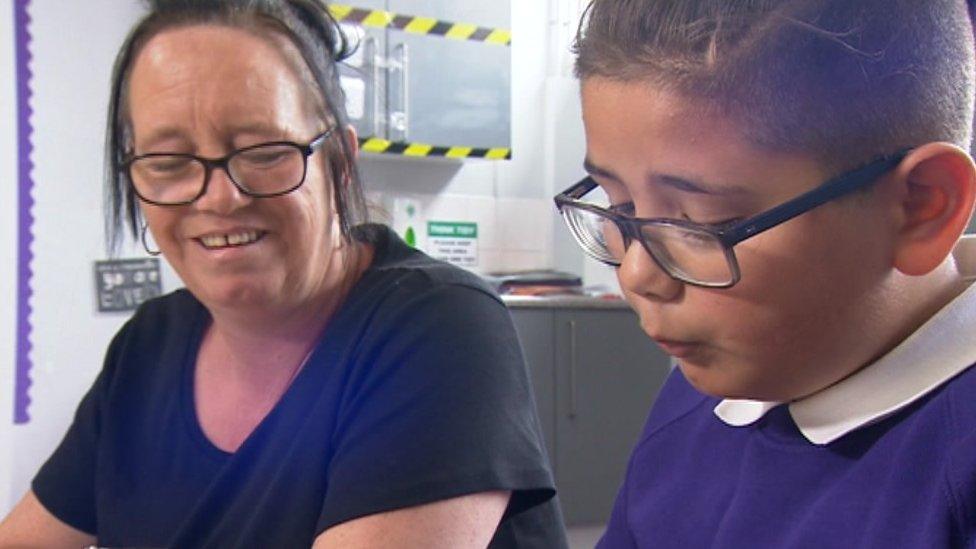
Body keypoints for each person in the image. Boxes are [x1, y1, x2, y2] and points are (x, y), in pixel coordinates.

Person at [0, 1, 567, 547]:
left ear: (340, 163)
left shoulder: (439, 330)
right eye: (169, 164)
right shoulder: (148, 346)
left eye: (264, 151)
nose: (218, 197)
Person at [554, 0, 976, 546]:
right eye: (621, 207)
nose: (638, 275)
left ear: (922, 206)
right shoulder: (706, 397)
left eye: (705, 222)